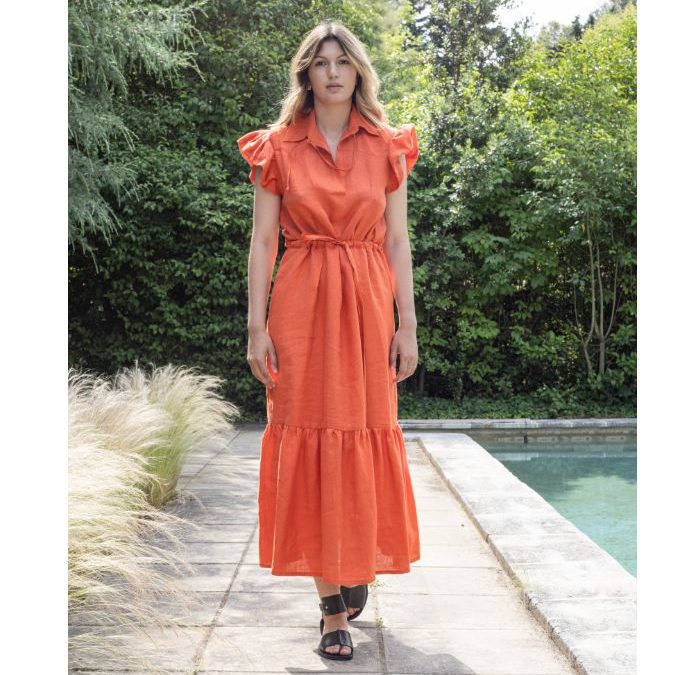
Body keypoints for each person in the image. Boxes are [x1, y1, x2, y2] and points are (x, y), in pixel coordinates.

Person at [237, 20, 421, 662]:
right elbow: (264, 240)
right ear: (307, 75)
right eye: (322, 62)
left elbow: (396, 239)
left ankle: (352, 562)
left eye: (344, 61)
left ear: (359, 71)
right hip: (301, 306)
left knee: (364, 428)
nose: (334, 72)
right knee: (307, 431)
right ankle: (331, 608)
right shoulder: (278, 148)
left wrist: (407, 324)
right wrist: (257, 326)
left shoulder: (388, 147)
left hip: (368, 308)